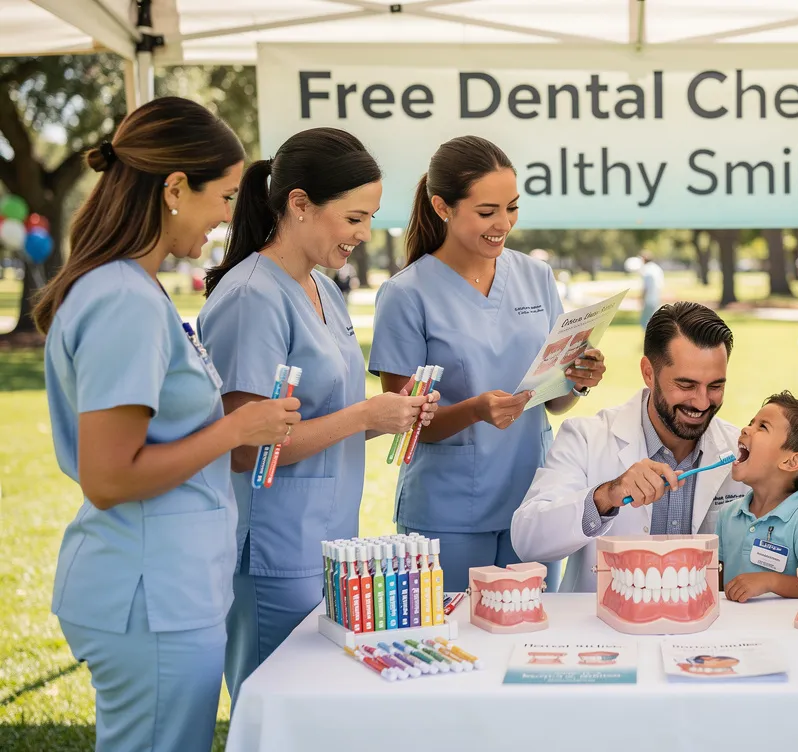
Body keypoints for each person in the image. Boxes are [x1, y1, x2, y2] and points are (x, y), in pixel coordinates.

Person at [33, 97, 301, 752]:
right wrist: (238, 430)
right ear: (176, 188)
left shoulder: (131, 288)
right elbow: (108, 475)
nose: (227, 218)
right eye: (226, 196)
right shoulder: (123, 298)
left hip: (163, 587)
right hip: (151, 596)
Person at [198, 127, 438, 702]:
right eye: (354, 218)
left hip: (327, 547)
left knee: (315, 711)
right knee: (277, 706)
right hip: (274, 549)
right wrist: (363, 417)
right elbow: (244, 447)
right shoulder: (251, 296)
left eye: (370, 218)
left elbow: (330, 405)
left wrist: (396, 411)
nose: (365, 233)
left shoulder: (322, 289)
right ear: (299, 204)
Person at [370, 136, 604, 591]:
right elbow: (404, 420)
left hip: (531, 501)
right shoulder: (405, 295)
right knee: (455, 642)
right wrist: (475, 410)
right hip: (450, 510)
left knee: (529, 638)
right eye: (487, 212)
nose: (503, 224)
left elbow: (551, 403)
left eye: (512, 208)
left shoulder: (536, 277)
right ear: (442, 206)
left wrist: (576, 381)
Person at [511, 302, 751, 592]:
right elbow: (528, 540)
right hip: (604, 633)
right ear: (648, 373)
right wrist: (608, 494)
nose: (702, 402)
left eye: (715, 386)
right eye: (686, 385)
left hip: (701, 631)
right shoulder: (586, 438)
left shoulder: (739, 453)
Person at [718, 392, 798, 602]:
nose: (745, 429)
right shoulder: (728, 515)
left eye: (763, 427)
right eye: (752, 422)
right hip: (732, 629)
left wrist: (770, 581)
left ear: (790, 462)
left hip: (786, 632)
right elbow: (718, 579)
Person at [639, 251, 665, 330]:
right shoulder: (657, 269)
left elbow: (646, 287)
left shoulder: (647, 270)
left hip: (648, 299)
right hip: (656, 298)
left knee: (645, 322)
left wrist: (642, 299)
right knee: (653, 321)